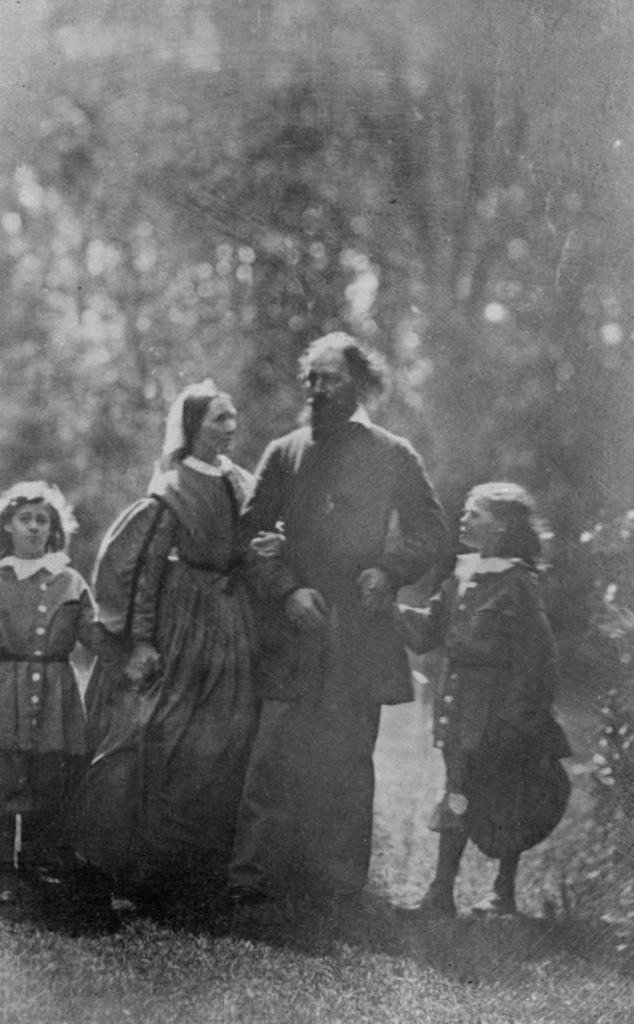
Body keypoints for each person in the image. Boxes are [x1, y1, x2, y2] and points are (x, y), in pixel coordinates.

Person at [228, 331, 449, 909]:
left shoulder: (394, 453)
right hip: (293, 627)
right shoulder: (284, 452)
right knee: (273, 752)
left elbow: (430, 531)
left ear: (361, 385)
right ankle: (253, 873)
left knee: (348, 758)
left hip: (359, 629)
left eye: (332, 379)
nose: (318, 389)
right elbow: (248, 535)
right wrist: (286, 590)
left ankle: (337, 883)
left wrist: (390, 570)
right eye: (313, 379)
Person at [66, 380, 262, 905]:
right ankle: (136, 867)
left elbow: (246, 548)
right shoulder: (170, 489)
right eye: (220, 418)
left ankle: (196, 869)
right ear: (193, 426)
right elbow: (146, 574)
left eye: (233, 417)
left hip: (229, 626)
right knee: (159, 735)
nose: (231, 427)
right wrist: (144, 641)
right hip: (180, 625)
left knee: (223, 741)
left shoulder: (243, 483)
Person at [396, 481, 571, 918]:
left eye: (476, 514)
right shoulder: (462, 573)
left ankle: (502, 892)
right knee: (456, 791)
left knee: (506, 794)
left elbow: (537, 658)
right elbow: (429, 632)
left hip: (500, 714)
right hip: (459, 709)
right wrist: (388, 609)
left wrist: (516, 720)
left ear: (503, 525)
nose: (464, 519)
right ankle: (441, 892)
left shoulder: (518, 582)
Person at [0, 481, 100, 904]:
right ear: (8, 527)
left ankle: (36, 861)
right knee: (2, 778)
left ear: (54, 530)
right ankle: (6, 871)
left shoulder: (70, 580)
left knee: (47, 775)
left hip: (54, 691)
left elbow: (92, 632)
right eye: (25, 519)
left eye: (43, 520)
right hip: (3, 690)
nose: (34, 527)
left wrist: (120, 641)